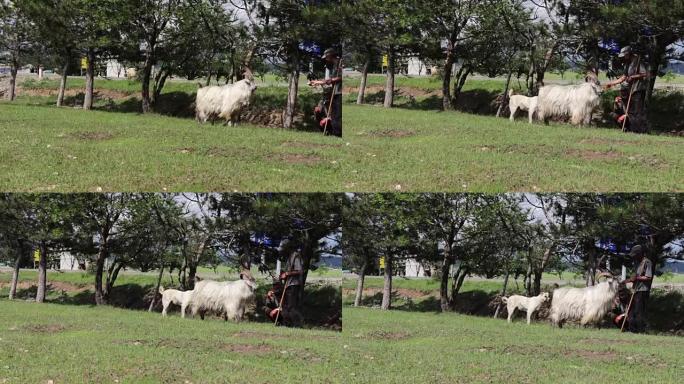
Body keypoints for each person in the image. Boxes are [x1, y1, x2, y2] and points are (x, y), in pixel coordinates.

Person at [604, 46, 650, 133]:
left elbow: (645, 74)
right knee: (631, 111)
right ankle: (632, 130)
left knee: (637, 112)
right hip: (631, 90)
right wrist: (612, 83)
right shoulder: (628, 63)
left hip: (638, 89)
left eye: (624, 55)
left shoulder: (638, 61)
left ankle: (639, 131)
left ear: (628, 54)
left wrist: (633, 77)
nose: (623, 57)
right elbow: (624, 77)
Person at [309, 48, 342, 137]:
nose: (326, 59)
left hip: (339, 92)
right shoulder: (334, 65)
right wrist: (318, 82)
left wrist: (329, 81)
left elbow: (340, 78)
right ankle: (334, 134)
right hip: (335, 93)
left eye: (326, 57)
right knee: (334, 116)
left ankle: (337, 134)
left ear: (330, 56)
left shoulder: (340, 64)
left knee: (337, 116)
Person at [624, 245, 652, 333]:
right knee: (631, 310)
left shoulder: (647, 262)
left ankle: (640, 330)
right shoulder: (637, 262)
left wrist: (637, 278)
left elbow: (648, 277)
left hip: (642, 290)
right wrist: (627, 281)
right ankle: (632, 330)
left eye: (635, 255)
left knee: (638, 311)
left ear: (640, 254)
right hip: (635, 289)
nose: (634, 257)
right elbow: (634, 276)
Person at [279, 249, 305, 327]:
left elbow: (300, 271)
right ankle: (287, 324)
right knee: (286, 306)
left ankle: (298, 323)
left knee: (291, 307)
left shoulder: (296, 256)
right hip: (288, 285)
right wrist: (283, 275)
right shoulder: (289, 257)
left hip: (294, 285)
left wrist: (287, 273)